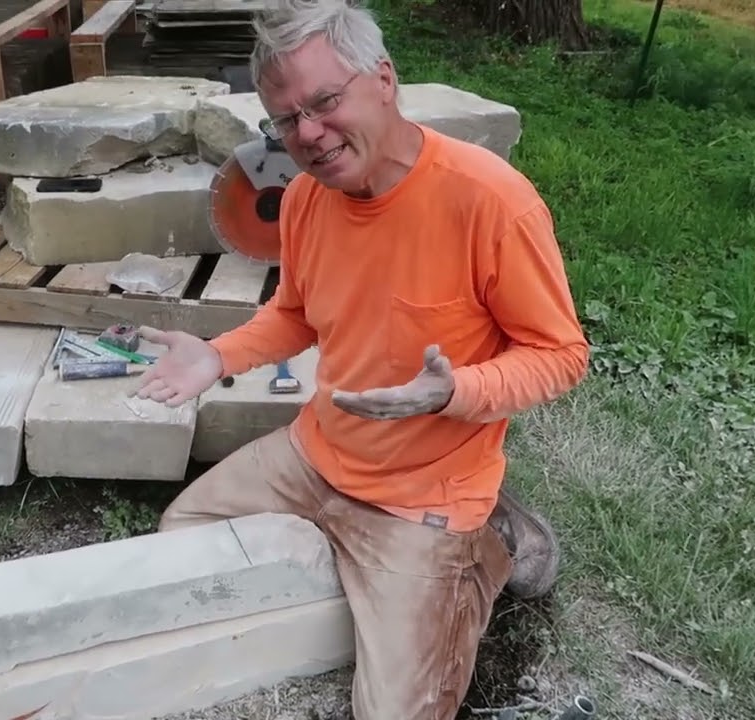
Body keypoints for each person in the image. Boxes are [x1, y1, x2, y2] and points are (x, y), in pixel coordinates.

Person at [130, 0, 590, 716]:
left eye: (324, 102)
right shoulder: (306, 200)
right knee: (180, 537)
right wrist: (217, 357)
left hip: (424, 496)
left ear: (384, 78)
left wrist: (453, 393)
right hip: (318, 453)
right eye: (286, 120)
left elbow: (560, 355)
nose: (308, 134)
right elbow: (294, 315)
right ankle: (355, 551)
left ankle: (485, 547)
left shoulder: (489, 201)